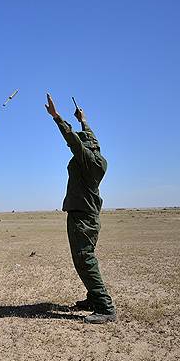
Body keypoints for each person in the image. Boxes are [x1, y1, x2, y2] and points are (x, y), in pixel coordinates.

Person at [45, 93, 117, 324]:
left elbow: (73, 140)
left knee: (84, 259)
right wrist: (83, 120)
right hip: (86, 214)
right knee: (84, 258)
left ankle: (105, 307)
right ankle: (93, 297)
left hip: (82, 217)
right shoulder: (96, 156)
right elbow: (88, 137)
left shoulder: (87, 159)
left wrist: (57, 117)